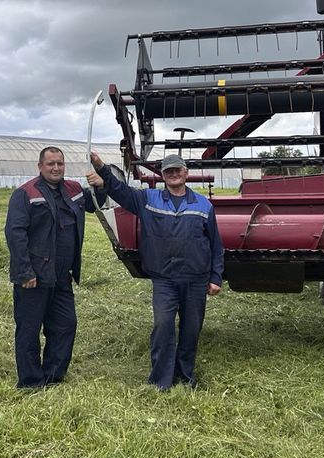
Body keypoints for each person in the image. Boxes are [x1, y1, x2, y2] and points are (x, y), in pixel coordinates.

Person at [86, 152, 223, 390]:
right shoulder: (148, 199)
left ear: (186, 173)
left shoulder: (203, 205)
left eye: (177, 170)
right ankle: (161, 380)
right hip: (165, 280)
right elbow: (121, 192)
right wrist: (102, 169)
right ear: (162, 175)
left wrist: (215, 277)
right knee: (163, 326)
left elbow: (215, 245)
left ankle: (185, 377)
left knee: (191, 330)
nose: (173, 174)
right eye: (168, 171)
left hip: (195, 280)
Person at [5, 146, 106, 389]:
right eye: (50, 164)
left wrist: (101, 185)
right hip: (35, 277)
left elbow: (95, 203)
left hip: (62, 277)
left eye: (59, 163)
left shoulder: (72, 190)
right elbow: (14, 234)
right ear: (40, 166)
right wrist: (24, 272)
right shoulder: (25, 194)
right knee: (29, 329)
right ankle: (31, 382)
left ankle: (53, 375)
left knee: (65, 325)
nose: (56, 168)